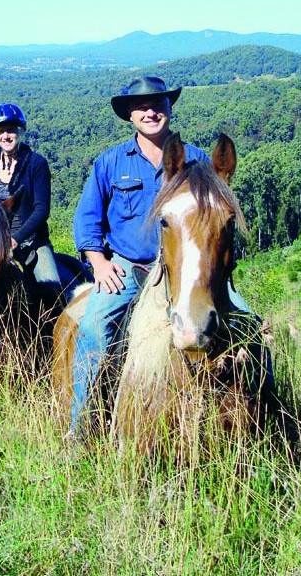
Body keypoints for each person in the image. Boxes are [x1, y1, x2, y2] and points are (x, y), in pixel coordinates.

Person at [70, 76, 210, 435]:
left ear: (169, 108)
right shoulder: (111, 163)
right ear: (130, 115)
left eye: (157, 104)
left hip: (186, 270)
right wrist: (98, 263)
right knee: (93, 328)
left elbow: (216, 217)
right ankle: (81, 426)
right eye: (141, 106)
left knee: (248, 325)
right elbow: (87, 217)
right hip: (128, 266)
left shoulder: (197, 160)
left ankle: (261, 413)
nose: (150, 112)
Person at [0, 103, 62, 291]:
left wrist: (15, 239)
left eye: (10, 131)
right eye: (1, 132)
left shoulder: (36, 163)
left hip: (31, 242)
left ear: (20, 132)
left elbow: (42, 210)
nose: (6, 136)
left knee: (52, 288)